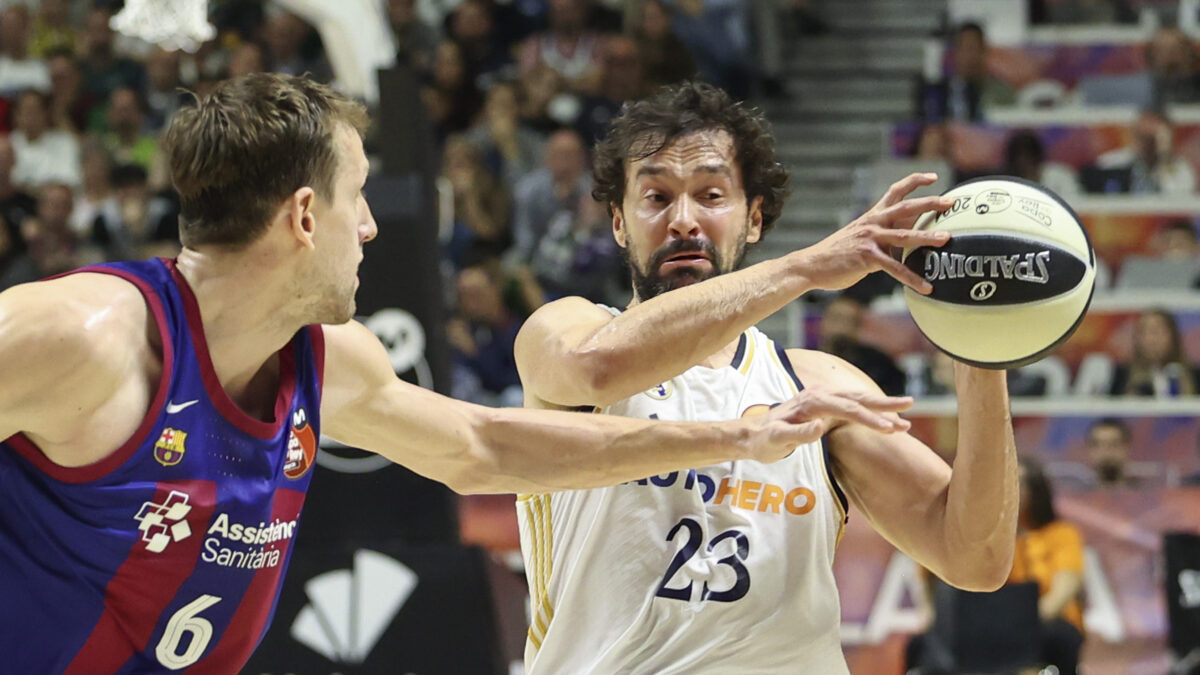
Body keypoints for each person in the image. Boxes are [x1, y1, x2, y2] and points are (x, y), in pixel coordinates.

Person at [0, 73, 902, 673]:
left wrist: (733, 435)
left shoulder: (324, 357)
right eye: (360, 198)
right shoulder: (82, 335)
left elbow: (482, 444)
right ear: (307, 215)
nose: (372, 229)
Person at [512, 81, 1018, 673]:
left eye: (710, 195)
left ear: (754, 218)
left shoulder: (818, 386)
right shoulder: (565, 329)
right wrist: (804, 266)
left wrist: (982, 351)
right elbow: (596, 369)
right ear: (619, 223)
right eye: (655, 197)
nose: (683, 220)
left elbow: (976, 558)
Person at [906, 456, 1085, 674]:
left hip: (1036, 623)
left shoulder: (1061, 534)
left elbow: (1065, 588)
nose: (1007, 490)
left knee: (1063, 639)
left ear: (1036, 491)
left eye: (1016, 482)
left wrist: (1021, 623)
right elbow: (928, 578)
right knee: (918, 646)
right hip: (973, 622)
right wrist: (932, 614)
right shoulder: (972, 535)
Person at [1110, 308, 1200, 397]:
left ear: (1173, 335)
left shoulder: (1195, 376)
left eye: (1157, 331)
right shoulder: (1121, 376)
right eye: (1143, 332)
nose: (1151, 339)